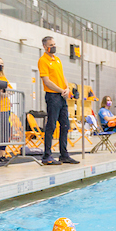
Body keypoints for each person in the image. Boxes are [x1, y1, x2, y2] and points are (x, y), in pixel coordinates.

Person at [38, 36, 78, 166]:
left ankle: (64, 155)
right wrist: (61, 90)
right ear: (45, 46)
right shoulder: (43, 60)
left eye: (54, 44)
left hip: (62, 96)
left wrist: (66, 88)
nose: (53, 46)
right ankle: (47, 155)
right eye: (51, 44)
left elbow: (62, 76)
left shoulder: (58, 60)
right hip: (52, 96)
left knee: (65, 125)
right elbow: (47, 81)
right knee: (51, 126)